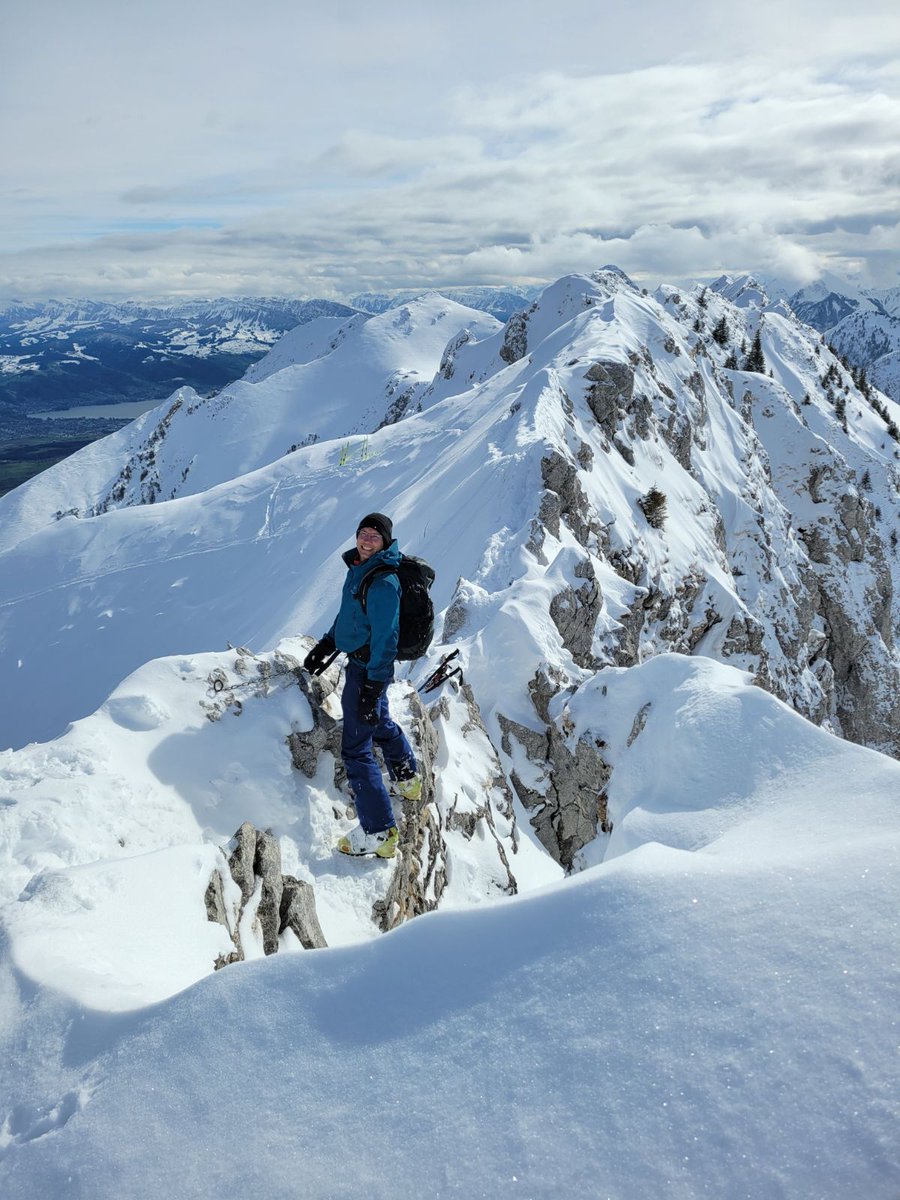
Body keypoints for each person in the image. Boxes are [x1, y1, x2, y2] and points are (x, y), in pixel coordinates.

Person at [304, 512, 422, 858]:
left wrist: (371, 687)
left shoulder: (383, 582)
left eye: (374, 535)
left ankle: (380, 831)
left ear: (385, 541)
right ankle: (406, 777)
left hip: (368, 670)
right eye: (363, 533)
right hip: (364, 667)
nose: (367, 540)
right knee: (378, 722)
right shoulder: (361, 569)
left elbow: (387, 639)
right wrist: (327, 644)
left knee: (356, 750)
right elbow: (352, 615)